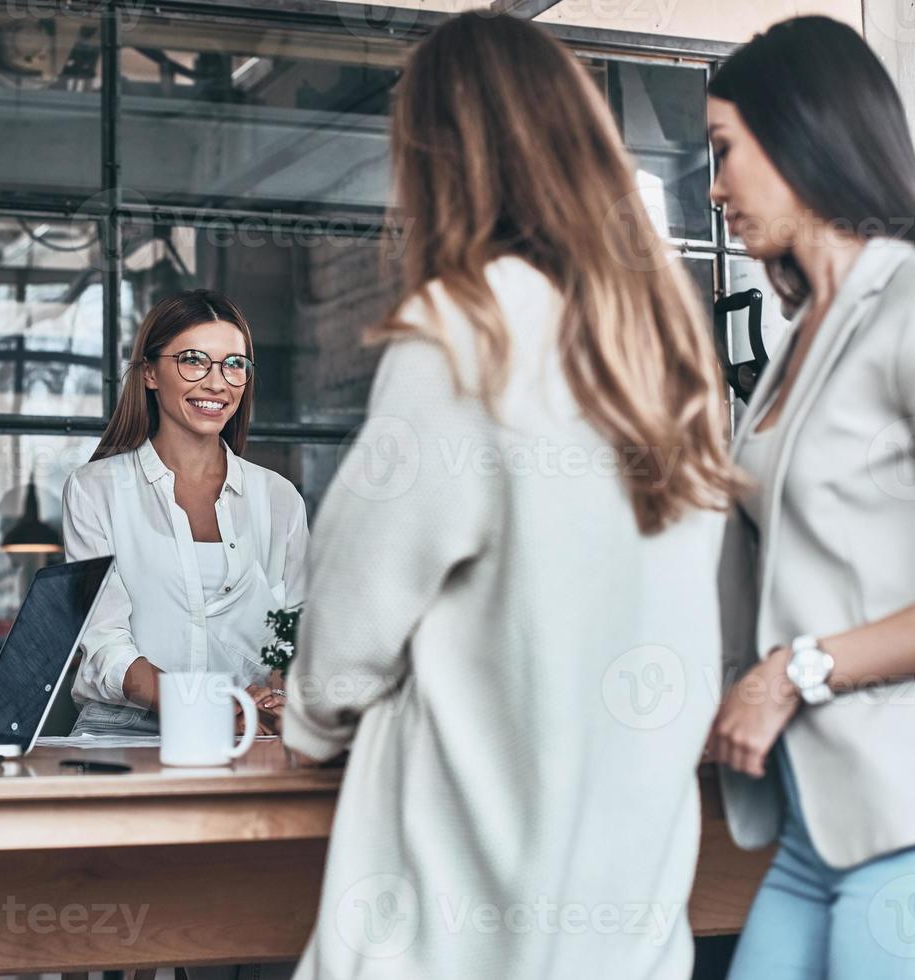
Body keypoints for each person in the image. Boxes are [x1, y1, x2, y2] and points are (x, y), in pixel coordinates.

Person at [281, 13, 741, 979]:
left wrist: (311, 721)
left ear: (438, 159)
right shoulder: (666, 352)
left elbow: (346, 638)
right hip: (624, 916)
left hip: (466, 916)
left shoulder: (468, 326)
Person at [701, 17, 915, 978]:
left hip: (902, 819)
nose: (712, 188)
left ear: (799, 136)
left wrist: (792, 672)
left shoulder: (908, 305)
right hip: (813, 823)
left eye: (722, 151)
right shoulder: (796, 333)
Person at [62, 289, 307, 737]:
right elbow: (103, 644)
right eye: (194, 360)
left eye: (234, 365)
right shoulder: (95, 490)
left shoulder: (279, 498)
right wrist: (199, 705)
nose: (217, 383)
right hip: (126, 732)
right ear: (151, 373)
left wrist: (278, 697)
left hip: (245, 732)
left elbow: (293, 636)